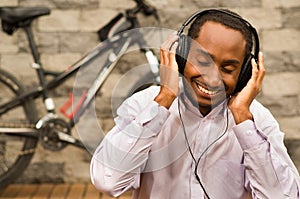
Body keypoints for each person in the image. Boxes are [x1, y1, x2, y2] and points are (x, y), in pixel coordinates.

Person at [90, 9, 300, 199]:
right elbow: (107, 181)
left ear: (244, 75)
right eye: (202, 61)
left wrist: (244, 122)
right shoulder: (145, 104)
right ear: (181, 56)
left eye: (227, 69)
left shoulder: (256, 120)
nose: (212, 78)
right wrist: (164, 100)